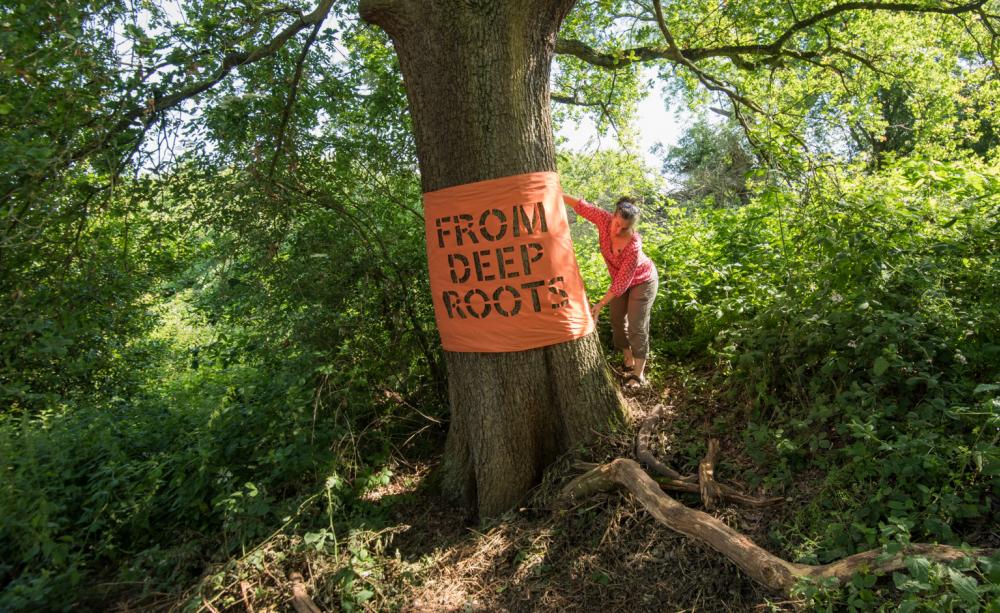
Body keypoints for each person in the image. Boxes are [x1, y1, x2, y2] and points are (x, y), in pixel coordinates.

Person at [563, 193, 659, 389]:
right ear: (613, 216)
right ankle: (628, 359)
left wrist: (599, 304)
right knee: (616, 319)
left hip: (643, 281)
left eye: (624, 228)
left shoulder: (633, 244)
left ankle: (638, 374)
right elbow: (582, 206)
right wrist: (555, 191)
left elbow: (622, 283)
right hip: (619, 281)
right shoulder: (603, 219)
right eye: (617, 224)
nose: (618, 230)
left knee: (636, 325)